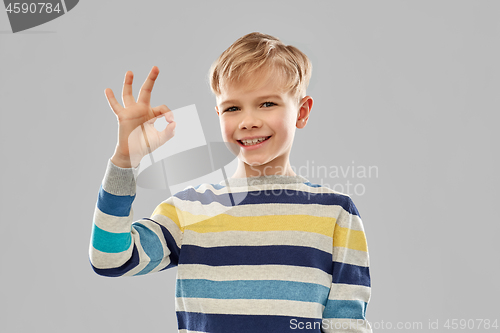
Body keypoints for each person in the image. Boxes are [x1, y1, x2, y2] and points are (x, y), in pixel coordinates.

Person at [89, 32, 372, 333]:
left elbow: (346, 325)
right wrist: (125, 159)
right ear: (218, 114)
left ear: (301, 112)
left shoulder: (335, 213)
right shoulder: (189, 210)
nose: (248, 121)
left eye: (267, 104)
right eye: (232, 108)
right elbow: (110, 259)